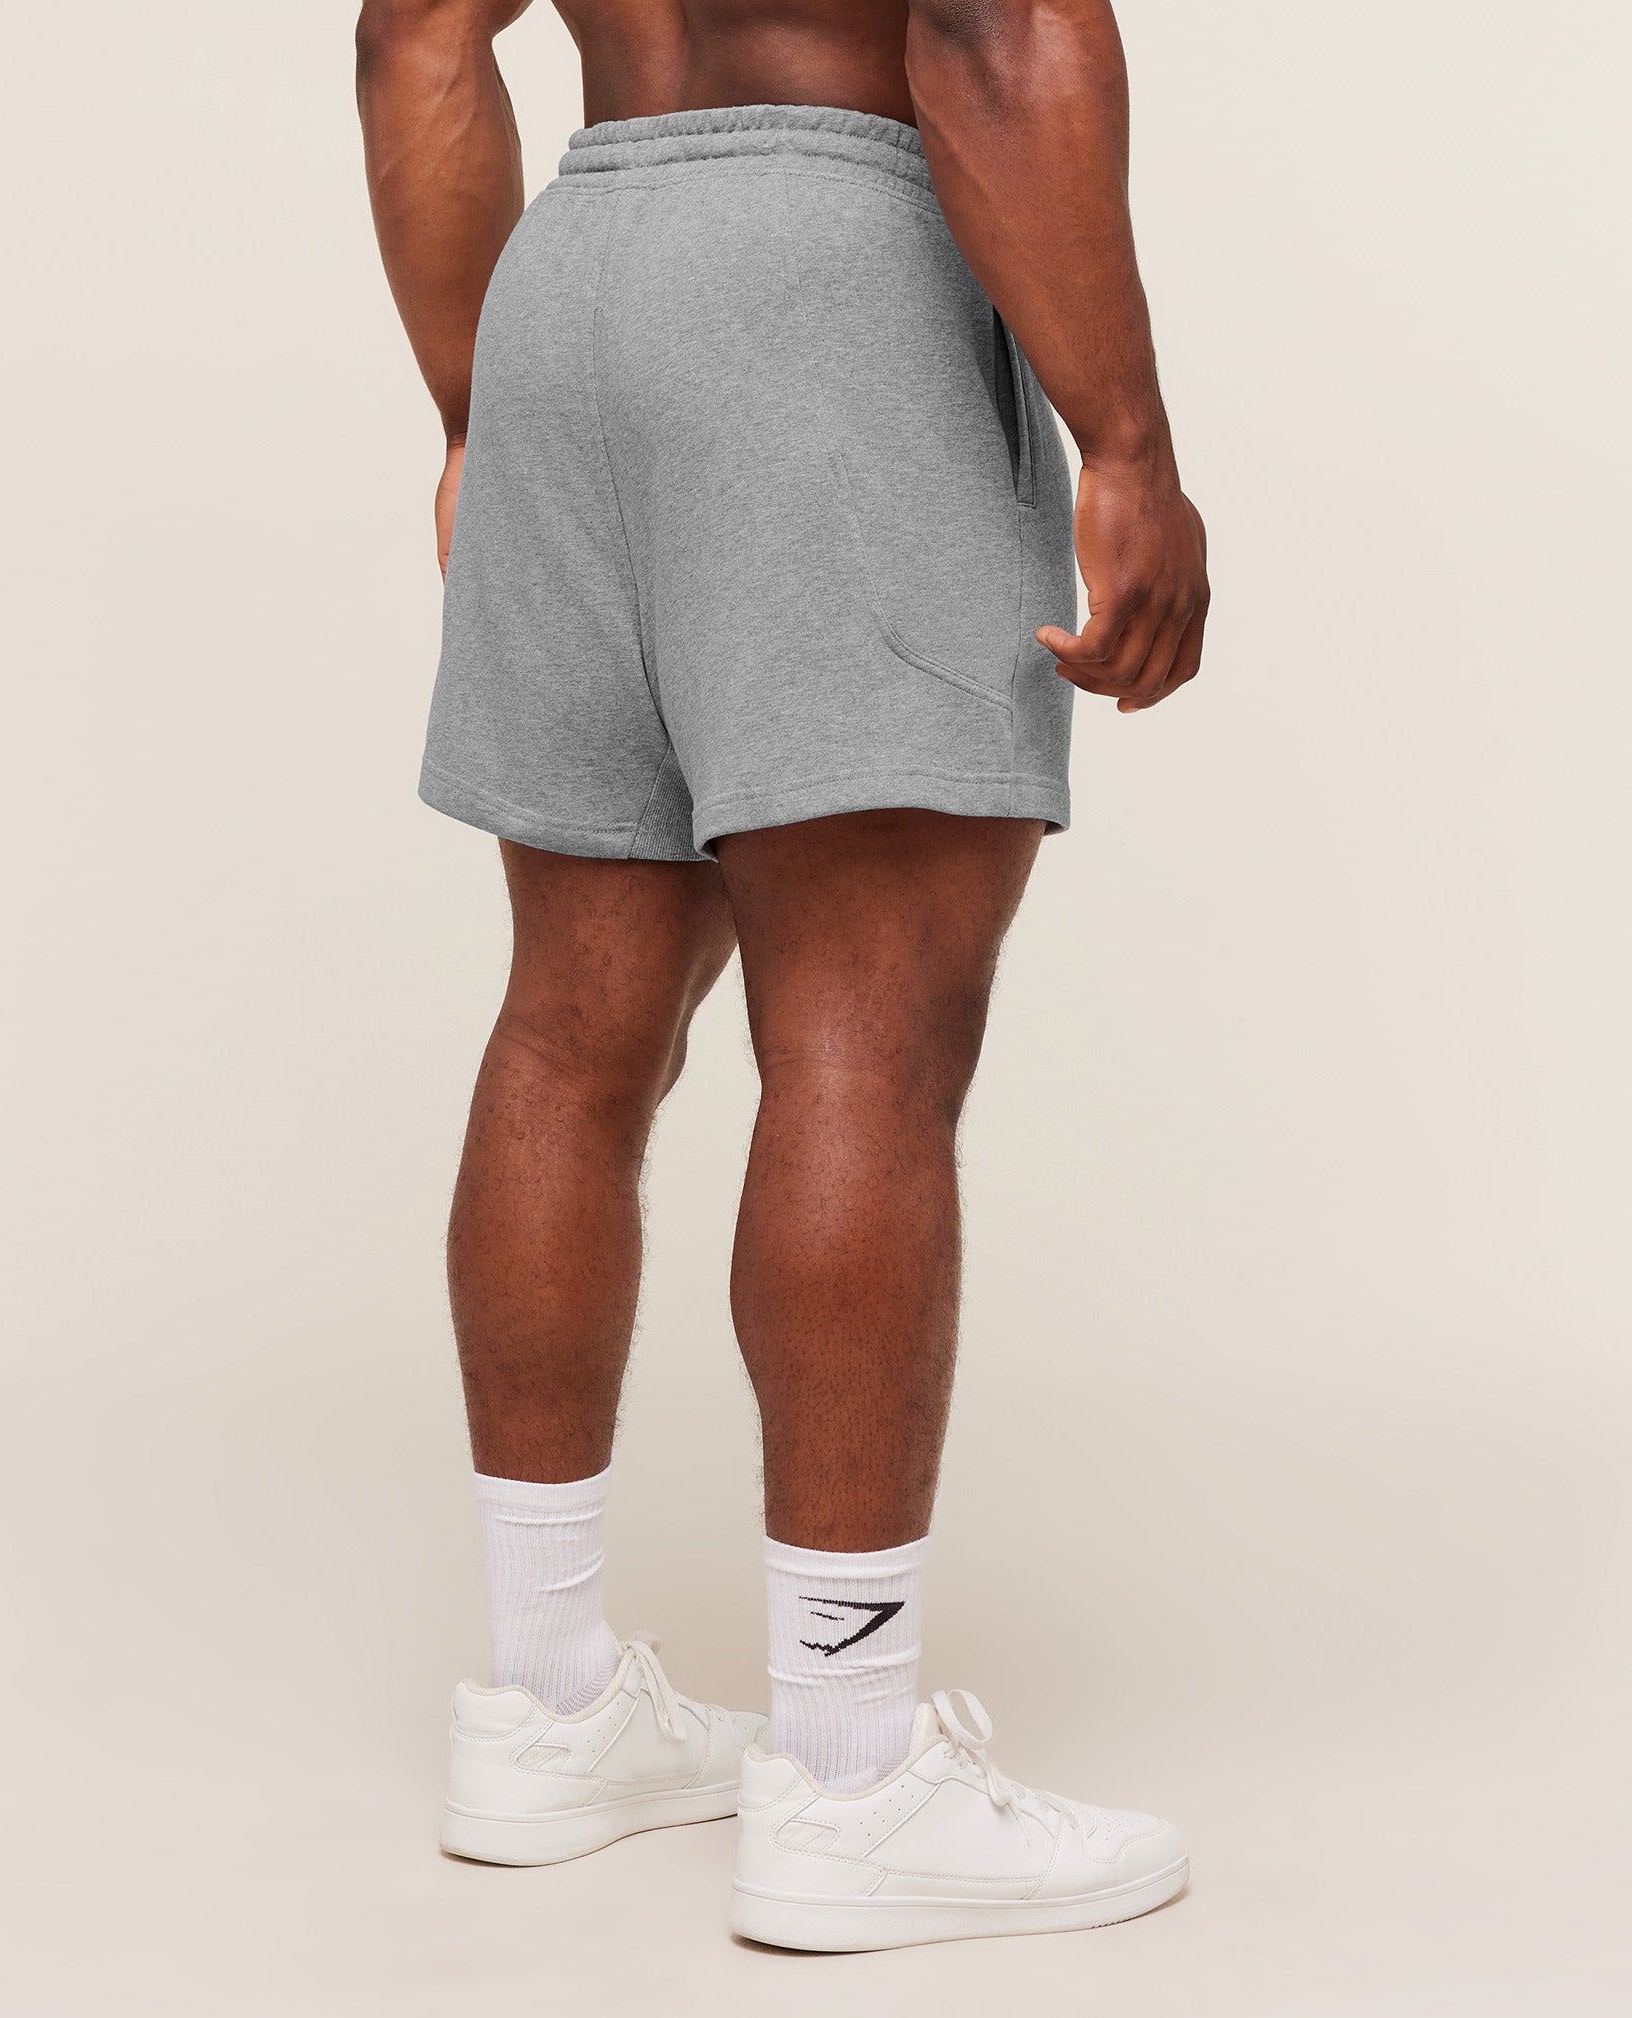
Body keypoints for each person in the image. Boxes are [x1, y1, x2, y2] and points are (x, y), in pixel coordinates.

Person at [355, 0, 1208, 1953]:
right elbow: (993, 24)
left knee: (571, 1031)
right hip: (835, 273)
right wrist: (1130, 445)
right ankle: (847, 1772)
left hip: (575, 280)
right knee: (861, 1043)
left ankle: (546, 1707)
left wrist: (478, 410)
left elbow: (412, 37)